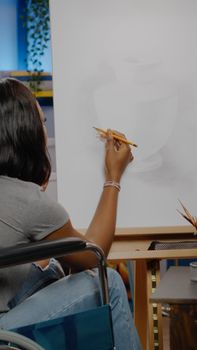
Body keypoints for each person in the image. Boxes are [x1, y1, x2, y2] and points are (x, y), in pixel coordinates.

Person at [0, 77, 141, 349]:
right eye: (41, 122)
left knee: (52, 267)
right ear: (24, 132)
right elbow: (93, 254)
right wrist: (114, 176)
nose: (45, 129)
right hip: (5, 330)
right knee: (108, 281)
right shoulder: (27, 201)